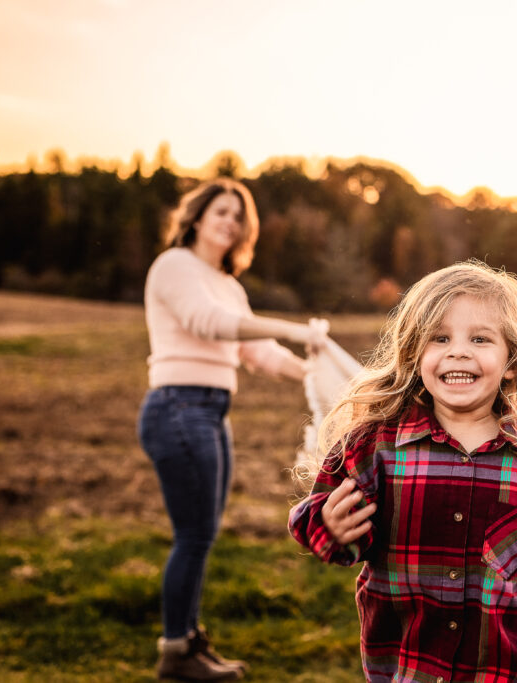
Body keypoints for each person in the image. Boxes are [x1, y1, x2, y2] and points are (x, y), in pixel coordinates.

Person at [289, 261, 517, 683]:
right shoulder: (375, 446)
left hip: (496, 671)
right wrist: (329, 528)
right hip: (404, 666)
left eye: (480, 338)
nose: (458, 351)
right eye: (439, 338)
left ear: (511, 362)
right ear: (414, 356)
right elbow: (322, 523)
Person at [138, 178, 329, 681]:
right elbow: (209, 323)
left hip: (210, 410)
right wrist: (289, 327)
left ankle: (187, 641)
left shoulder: (228, 284)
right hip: (178, 407)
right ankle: (176, 651)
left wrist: (320, 371)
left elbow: (257, 354)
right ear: (197, 216)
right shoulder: (174, 266)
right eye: (221, 211)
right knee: (194, 535)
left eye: (239, 216)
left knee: (202, 534)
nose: (230, 222)